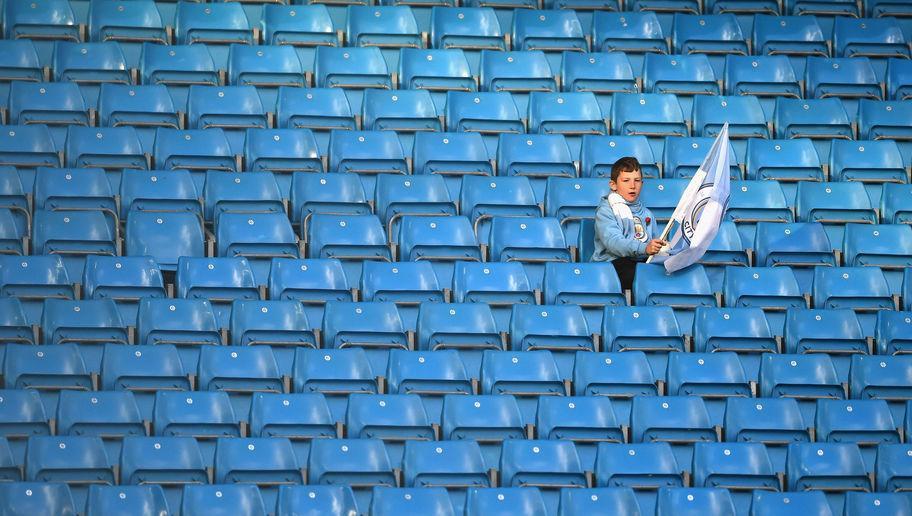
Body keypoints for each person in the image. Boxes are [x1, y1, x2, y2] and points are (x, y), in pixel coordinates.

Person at [592, 156, 667, 290]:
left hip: (640, 263)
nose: (632, 186)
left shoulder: (647, 214)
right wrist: (645, 248)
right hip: (612, 265)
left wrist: (662, 249)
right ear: (613, 185)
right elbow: (614, 243)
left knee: (665, 272)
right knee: (639, 275)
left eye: (637, 180)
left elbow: (653, 246)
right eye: (626, 181)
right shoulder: (605, 210)